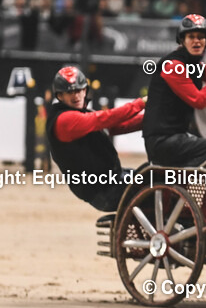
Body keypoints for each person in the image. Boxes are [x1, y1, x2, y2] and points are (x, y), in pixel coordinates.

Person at [45, 66, 145, 211]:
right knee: (157, 183)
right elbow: (105, 119)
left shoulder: (76, 114)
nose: (76, 96)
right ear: (60, 96)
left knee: (152, 175)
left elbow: (115, 126)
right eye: (70, 92)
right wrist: (141, 103)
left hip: (111, 181)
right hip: (105, 191)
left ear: (85, 91)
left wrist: (149, 120)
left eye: (79, 90)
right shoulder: (65, 120)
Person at [142, 14, 206, 167]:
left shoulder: (192, 64)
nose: (197, 41)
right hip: (163, 141)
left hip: (175, 138)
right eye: (191, 37)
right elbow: (199, 100)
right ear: (182, 40)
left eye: (201, 37)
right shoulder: (174, 66)